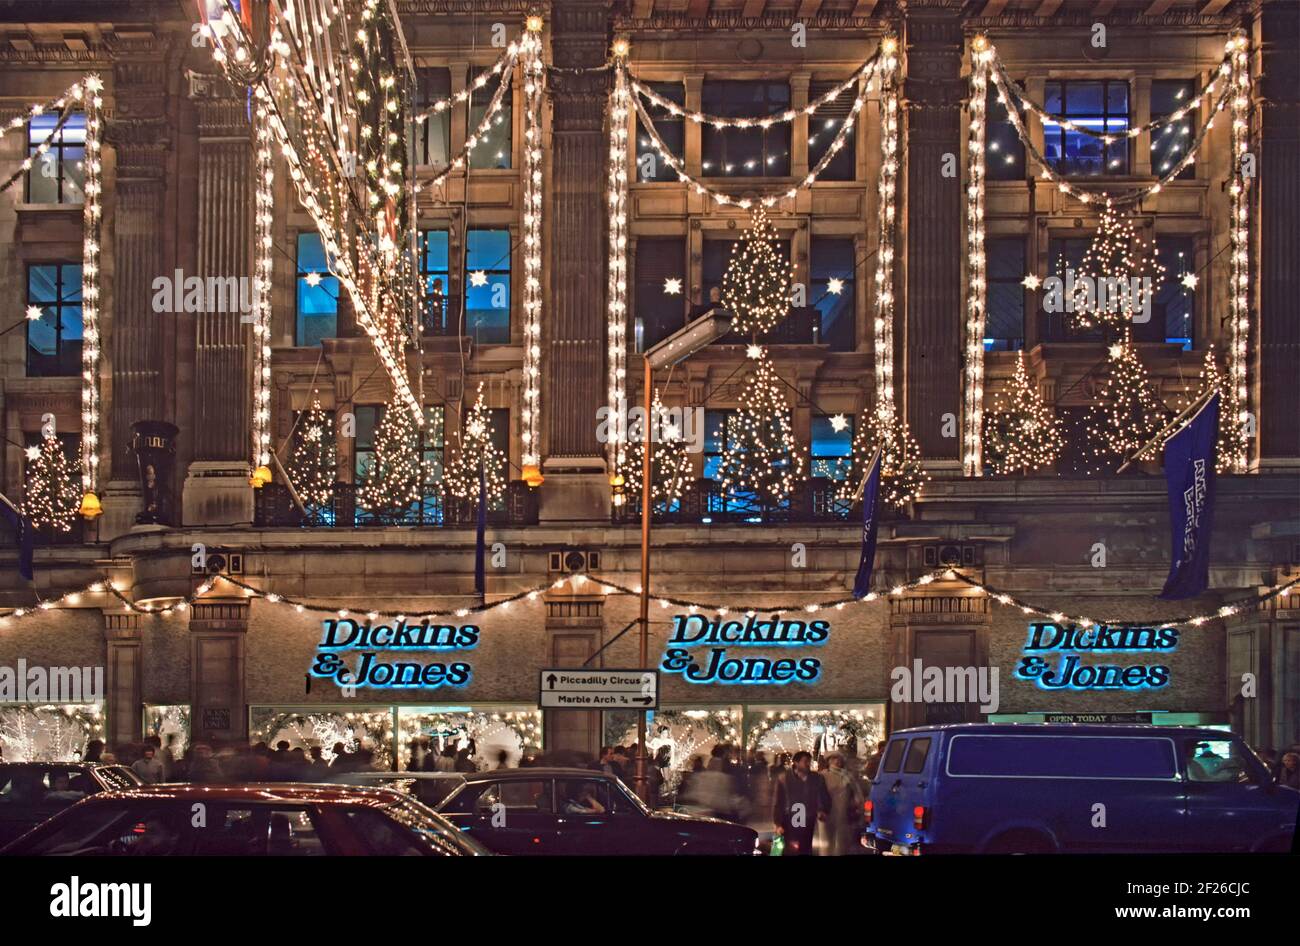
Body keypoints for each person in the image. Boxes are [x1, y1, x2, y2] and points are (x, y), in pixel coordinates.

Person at [771, 750, 832, 856]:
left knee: (805, 848)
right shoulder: (784, 778)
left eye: (809, 761)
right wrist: (778, 823)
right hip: (788, 818)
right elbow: (778, 801)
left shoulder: (816, 778)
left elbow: (823, 796)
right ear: (796, 762)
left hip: (808, 819)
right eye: (805, 761)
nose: (808, 764)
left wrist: (822, 810)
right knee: (784, 849)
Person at [822, 752, 864, 856]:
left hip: (844, 813)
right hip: (827, 812)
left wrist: (858, 806)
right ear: (829, 761)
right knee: (826, 842)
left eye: (839, 759)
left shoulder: (847, 776)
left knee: (842, 842)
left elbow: (857, 794)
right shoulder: (823, 775)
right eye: (835, 758)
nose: (838, 761)